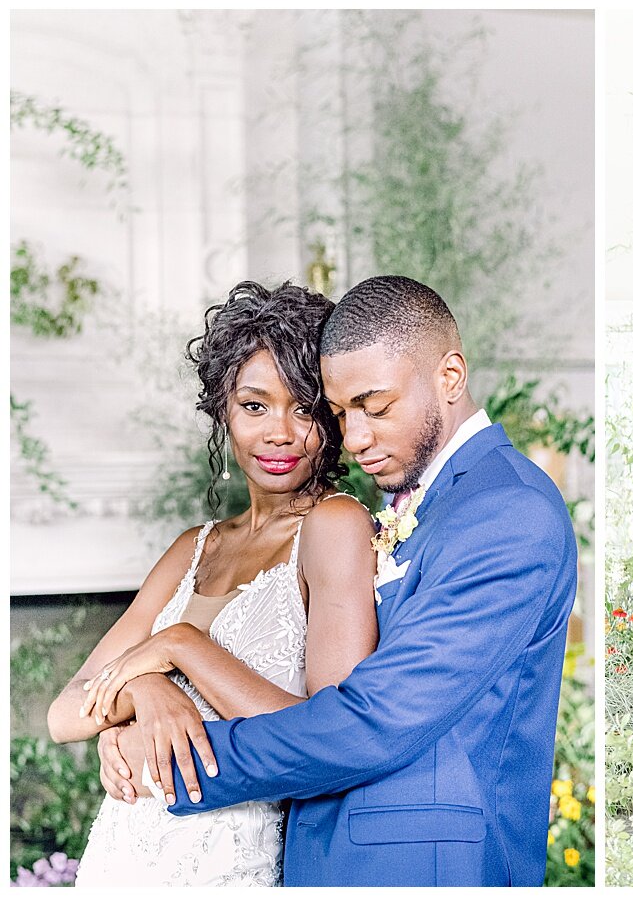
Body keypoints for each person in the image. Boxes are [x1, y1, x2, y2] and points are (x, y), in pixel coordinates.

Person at [99, 275, 578, 887]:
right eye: (340, 413)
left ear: (450, 377)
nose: (353, 440)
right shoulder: (424, 505)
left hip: (425, 868)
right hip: (328, 855)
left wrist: (171, 754)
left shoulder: (508, 511)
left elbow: (370, 722)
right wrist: (143, 704)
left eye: (375, 409)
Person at [48, 281, 378, 886]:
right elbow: (66, 712)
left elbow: (328, 740)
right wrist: (145, 692)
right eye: (254, 406)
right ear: (223, 410)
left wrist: (180, 646)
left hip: (225, 863)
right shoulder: (193, 547)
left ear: (331, 416)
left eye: (303, 407)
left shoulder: (335, 526)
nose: (278, 432)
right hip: (123, 855)